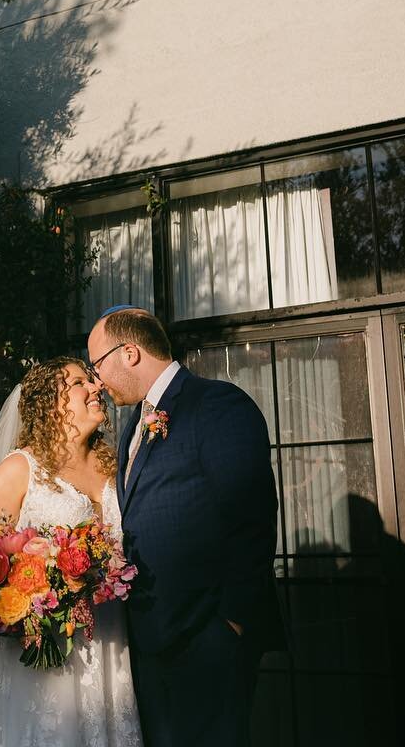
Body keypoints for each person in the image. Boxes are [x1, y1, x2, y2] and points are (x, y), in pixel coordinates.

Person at [85, 306, 286, 747]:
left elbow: (251, 518)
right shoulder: (131, 428)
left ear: (130, 353)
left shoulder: (216, 404)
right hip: (151, 640)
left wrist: (228, 625)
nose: (96, 380)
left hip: (206, 638)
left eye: (97, 365)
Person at [0, 357, 144, 747]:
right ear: (50, 402)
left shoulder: (116, 469)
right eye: (79, 383)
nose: (96, 387)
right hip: (47, 654)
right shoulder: (19, 470)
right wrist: (38, 600)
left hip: (111, 644)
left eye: (94, 381)